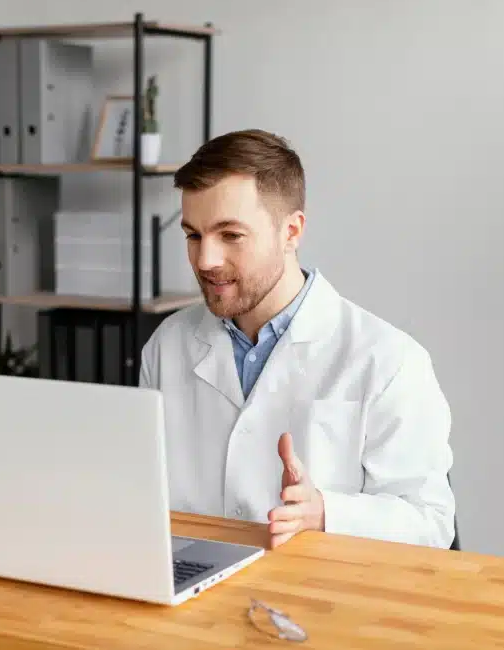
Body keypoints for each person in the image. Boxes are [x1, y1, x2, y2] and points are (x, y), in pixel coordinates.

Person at [138, 129, 455, 549]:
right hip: (193, 594)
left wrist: (328, 512)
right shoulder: (167, 346)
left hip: (321, 601)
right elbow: (141, 493)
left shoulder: (388, 360)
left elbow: (430, 523)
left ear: (291, 232)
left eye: (230, 235)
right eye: (194, 235)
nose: (206, 260)